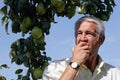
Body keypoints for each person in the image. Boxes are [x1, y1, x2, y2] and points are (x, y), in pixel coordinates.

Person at [42, 16, 120, 80]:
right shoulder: (55, 68)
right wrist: (75, 63)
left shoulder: (115, 74)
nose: (83, 38)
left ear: (101, 40)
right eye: (79, 33)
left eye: (89, 34)